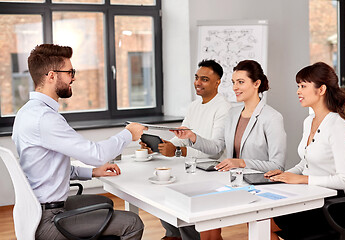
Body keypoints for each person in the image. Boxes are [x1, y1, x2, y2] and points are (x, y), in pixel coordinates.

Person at [12, 44, 147, 240]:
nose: (73, 77)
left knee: (106, 204)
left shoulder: (26, 112)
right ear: (51, 75)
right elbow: (96, 154)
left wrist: (92, 172)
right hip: (48, 220)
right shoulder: (45, 119)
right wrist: (128, 134)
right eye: (69, 72)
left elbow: (48, 168)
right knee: (132, 223)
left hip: (36, 210)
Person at [173, 60, 286, 239]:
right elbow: (216, 146)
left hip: (260, 186)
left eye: (241, 82)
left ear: (256, 84)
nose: (235, 87)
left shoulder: (272, 117)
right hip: (235, 183)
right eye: (233, 82)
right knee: (206, 216)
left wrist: (241, 162)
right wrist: (192, 137)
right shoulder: (233, 114)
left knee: (264, 230)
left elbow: (277, 165)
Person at [265, 62, 345, 240]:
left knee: (264, 222)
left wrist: (302, 180)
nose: (298, 91)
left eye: (303, 86)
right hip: (308, 197)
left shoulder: (336, 124)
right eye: (298, 86)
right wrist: (283, 175)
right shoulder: (309, 121)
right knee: (261, 219)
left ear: (321, 89)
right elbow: (305, 163)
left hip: (329, 205)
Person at [145, 59, 230, 240]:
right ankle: (174, 235)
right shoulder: (194, 106)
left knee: (177, 200)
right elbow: (182, 138)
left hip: (211, 170)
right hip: (192, 167)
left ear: (217, 82)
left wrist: (176, 151)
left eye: (204, 79)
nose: (198, 83)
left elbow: (214, 150)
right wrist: (162, 146)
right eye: (197, 77)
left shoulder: (224, 108)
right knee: (164, 196)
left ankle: (184, 237)